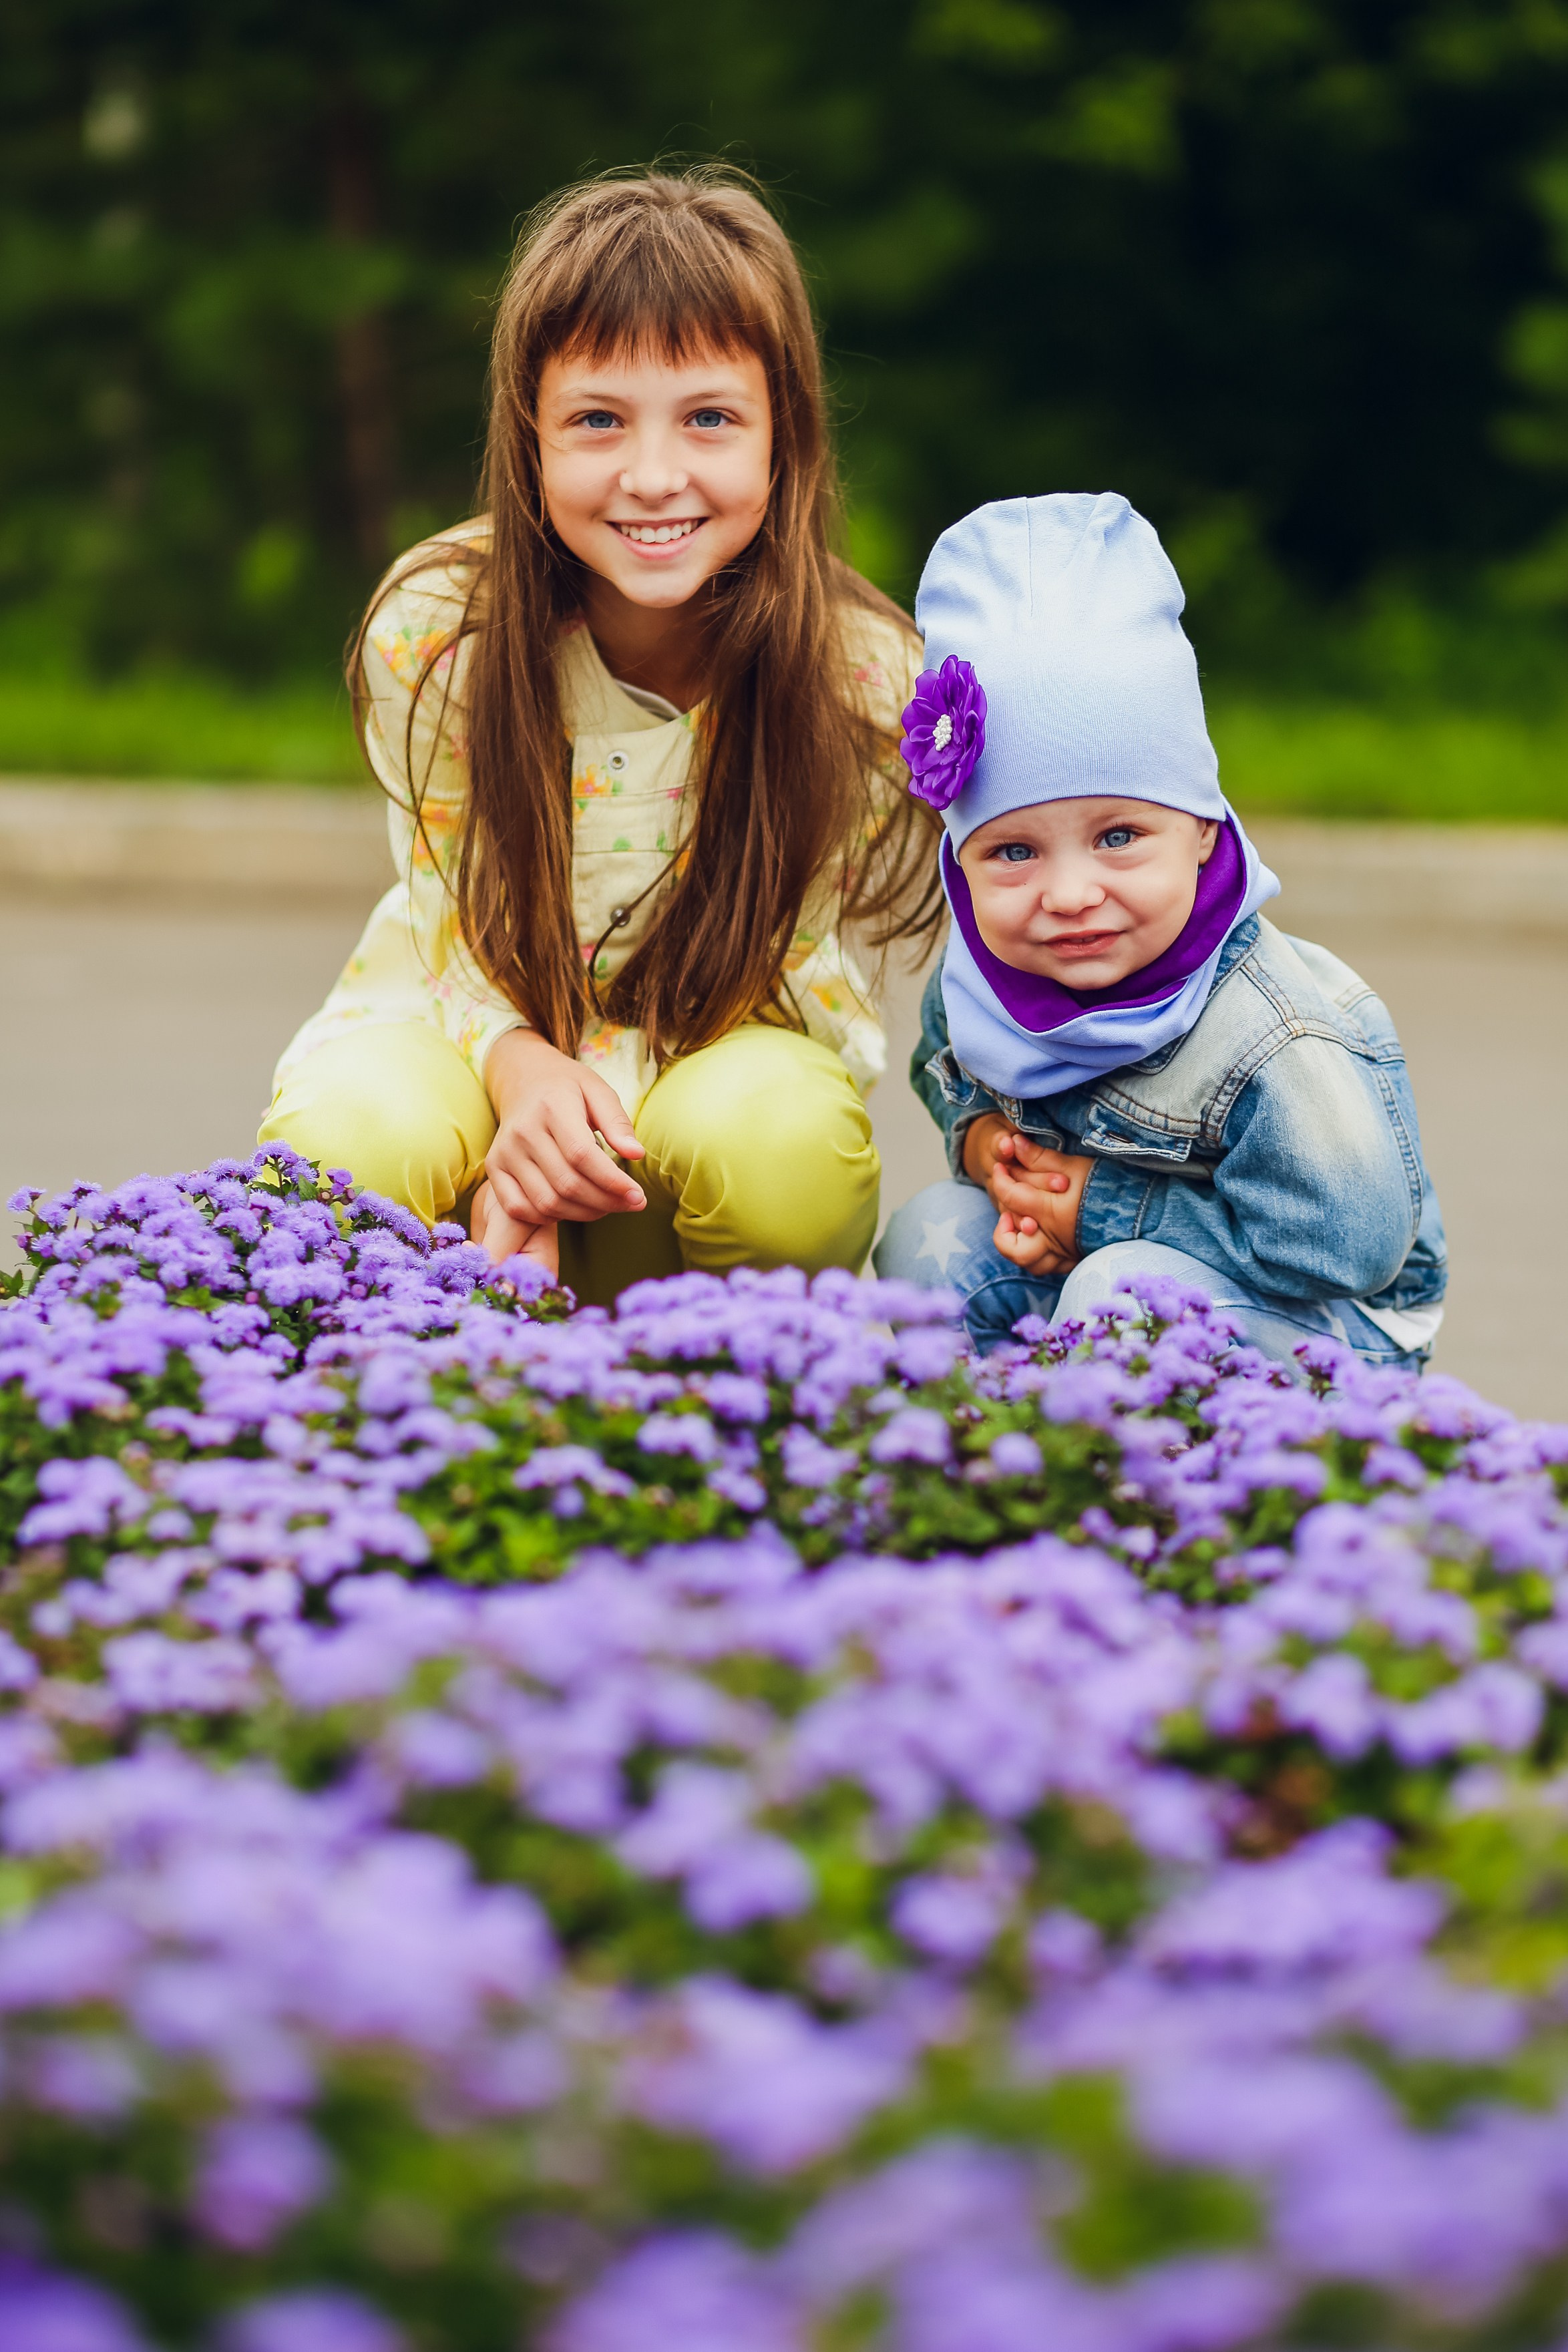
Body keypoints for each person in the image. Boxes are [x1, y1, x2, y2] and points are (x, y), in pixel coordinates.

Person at [259, 170, 937, 1294]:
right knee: (350, 1137)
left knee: (780, 1153)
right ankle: (365, 1428)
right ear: (528, 436)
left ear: (786, 435)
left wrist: (546, 1153)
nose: (655, 475)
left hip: (717, 1037)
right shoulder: (439, 630)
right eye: (597, 420)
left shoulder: (864, 682)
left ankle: (740, 1413)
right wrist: (523, 1081)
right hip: (463, 1018)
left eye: (710, 417)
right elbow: (453, 926)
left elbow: (762, 963)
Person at [874, 492, 1448, 1370]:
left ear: (1205, 828)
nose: (1069, 895)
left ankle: (1164, 1490)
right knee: (930, 1236)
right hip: (1106, 1265)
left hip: (1328, 1324)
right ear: (961, 862)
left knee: (1122, 1293)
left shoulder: (1275, 1032)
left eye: (1118, 838)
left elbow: (1348, 1245)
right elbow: (948, 1067)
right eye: (1014, 850)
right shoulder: (988, 975)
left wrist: (1096, 1212)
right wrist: (994, 1150)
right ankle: (1004, 1464)